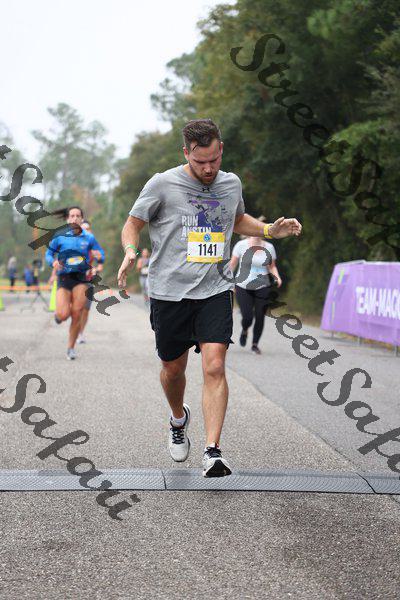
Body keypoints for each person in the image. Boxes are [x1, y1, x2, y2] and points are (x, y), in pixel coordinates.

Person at [117, 118, 302, 477]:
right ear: (185, 152)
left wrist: (268, 230)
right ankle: (178, 418)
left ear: (221, 150)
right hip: (169, 293)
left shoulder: (231, 183)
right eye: (200, 161)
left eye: (214, 160)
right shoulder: (162, 183)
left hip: (215, 288)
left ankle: (212, 451)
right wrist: (129, 250)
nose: (208, 168)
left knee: (215, 366)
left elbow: (236, 219)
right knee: (173, 370)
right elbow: (133, 223)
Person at [45, 206, 105, 360]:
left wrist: (100, 257)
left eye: (78, 216)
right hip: (64, 278)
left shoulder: (88, 237)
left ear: (81, 219)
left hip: (81, 279)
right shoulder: (59, 236)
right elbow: (49, 254)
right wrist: (53, 263)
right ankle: (59, 316)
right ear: (67, 219)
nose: (75, 218)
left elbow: (101, 253)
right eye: (72, 215)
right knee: (64, 314)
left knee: (77, 313)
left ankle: (70, 348)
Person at [229, 235, 282, 355]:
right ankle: (245, 329)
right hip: (243, 286)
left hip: (263, 286)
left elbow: (272, 266)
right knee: (247, 316)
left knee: (260, 315)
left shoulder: (269, 247)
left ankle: (255, 344)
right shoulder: (241, 245)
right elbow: (232, 264)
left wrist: (277, 277)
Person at [77, 220, 105, 344]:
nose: (85, 231)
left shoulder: (94, 247)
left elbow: (100, 264)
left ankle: (81, 333)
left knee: (86, 309)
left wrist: (95, 269)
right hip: (76, 280)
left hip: (88, 280)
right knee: (78, 307)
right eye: (83, 229)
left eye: (87, 229)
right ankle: (75, 330)